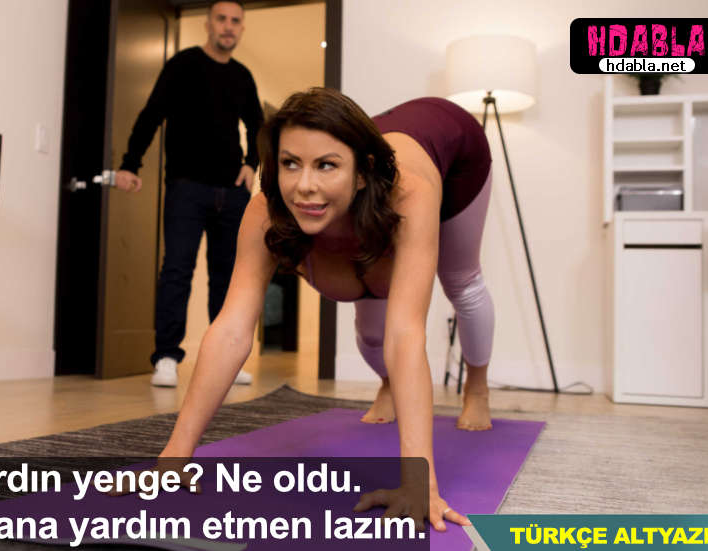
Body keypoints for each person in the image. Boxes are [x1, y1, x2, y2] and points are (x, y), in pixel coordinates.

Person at [157, 87, 495, 531]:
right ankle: (388, 385)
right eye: (290, 163)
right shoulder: (265, 211)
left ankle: (477, 389)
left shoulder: (409, 195)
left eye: (326, 166)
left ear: (362, 173)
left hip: (455, 148)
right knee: (371, 331)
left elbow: (406, 335)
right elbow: (232, 329)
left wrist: (420, 483)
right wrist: (175, 456)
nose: (304, 186)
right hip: (373, 172)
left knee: (461, 280)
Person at [115, 0, 263, 387]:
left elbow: (259, 126)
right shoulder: (182, 65)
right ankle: (166, 357)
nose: (228, 26)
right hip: (186, 188)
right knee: (177, 271)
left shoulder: (243, 76)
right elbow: (151, 115)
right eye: (221, 19)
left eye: (235, 21)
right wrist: (130, 164)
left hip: (232, 192)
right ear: (208, 24)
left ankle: (225, 360)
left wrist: (252, 163)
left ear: (241, 28)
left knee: (228, 278)